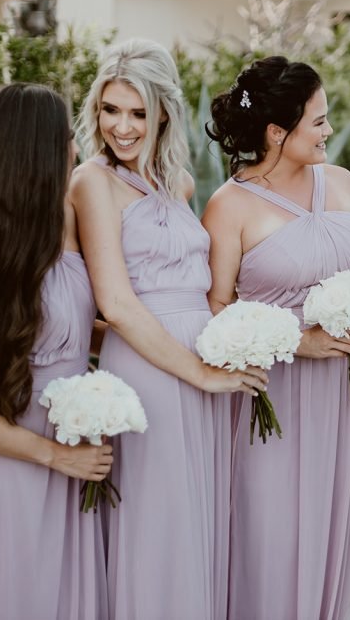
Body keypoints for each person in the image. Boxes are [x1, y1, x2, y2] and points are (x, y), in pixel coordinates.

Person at [70, 39, 266, 620]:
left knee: (195, 515)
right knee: (156, 519)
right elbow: (116, 302)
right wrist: (199, 374)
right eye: (110, 110)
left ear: (163, 112)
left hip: (201, 364)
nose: (122, 127)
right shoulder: (91, 182)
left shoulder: (177, 183)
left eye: (137, 112)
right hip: (149, 368)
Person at [203, 56, 350, 620]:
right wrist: (298, 341)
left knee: (339, 523)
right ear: (277, 132)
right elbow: (217, 310)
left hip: (349, 392)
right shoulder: (228, 206)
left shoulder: (343, 182)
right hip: (275, 398)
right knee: (272, 533)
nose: (328, 131)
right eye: (318, 121)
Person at [0, 82, 110, 619]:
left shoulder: (67, 222)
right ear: (32, 152)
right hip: (13, 463)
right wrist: (56, 456)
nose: (76, 150)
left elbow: (77, 326)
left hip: (76, 452)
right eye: (65, 139)